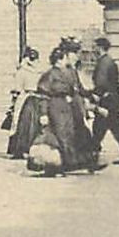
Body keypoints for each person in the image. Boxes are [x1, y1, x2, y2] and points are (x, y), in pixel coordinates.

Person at [29, 40, 98, 176]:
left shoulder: (68, 72)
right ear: (59, 60)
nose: (66, 60)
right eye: (64, 58)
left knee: (74, 134)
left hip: (68, 108)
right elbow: (44, 96)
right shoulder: (49, 75)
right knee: (60, 137)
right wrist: (43, 114)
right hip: (55, 108)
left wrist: (90, 95)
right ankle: (57, 166)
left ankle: (81, 162)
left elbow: (76, 89)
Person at [89, 37, 119, 164]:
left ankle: (92, 157)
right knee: (116, 129)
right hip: (112, 101)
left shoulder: (103, 63)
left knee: (99, 129)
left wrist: (94, 95)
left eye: (94, 47)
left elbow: (101, 82)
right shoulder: (110, 61)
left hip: (106, 102)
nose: (93, 50)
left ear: (100, 47)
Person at [4, 47, 44, 130]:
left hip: (31, 97)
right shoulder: (25, 71)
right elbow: (17, 89)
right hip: (31, 96)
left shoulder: (24, 71)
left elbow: (17, 89)